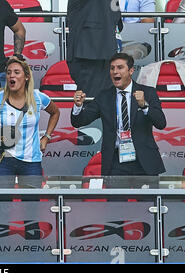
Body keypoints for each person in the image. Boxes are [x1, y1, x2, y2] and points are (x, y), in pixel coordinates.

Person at [71, 53, 166, 189]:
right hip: (115, 161)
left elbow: (161, 123)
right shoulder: (104, 96)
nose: (115, 71)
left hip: (143, 159)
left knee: (148, 206)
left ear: (131, 70)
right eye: (112, 68)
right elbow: (79, 121)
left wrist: (144, 105)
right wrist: (78, 106)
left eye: (120, 67)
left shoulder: (148, 93)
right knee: (116, 207)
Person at [0, 58, 60, 189]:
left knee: (31, 206)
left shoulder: (38, 97)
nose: (12, 76)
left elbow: (55, 113)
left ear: (26, 77)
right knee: (1, 206)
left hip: (31, 161)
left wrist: (46, 137)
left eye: (16, 72)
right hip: (4, 161)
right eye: (9, 72)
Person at [66, 0, 122, 98]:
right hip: (89, 50)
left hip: (104, 48)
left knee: (104, 101)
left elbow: (115, 13)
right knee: (89, 101)